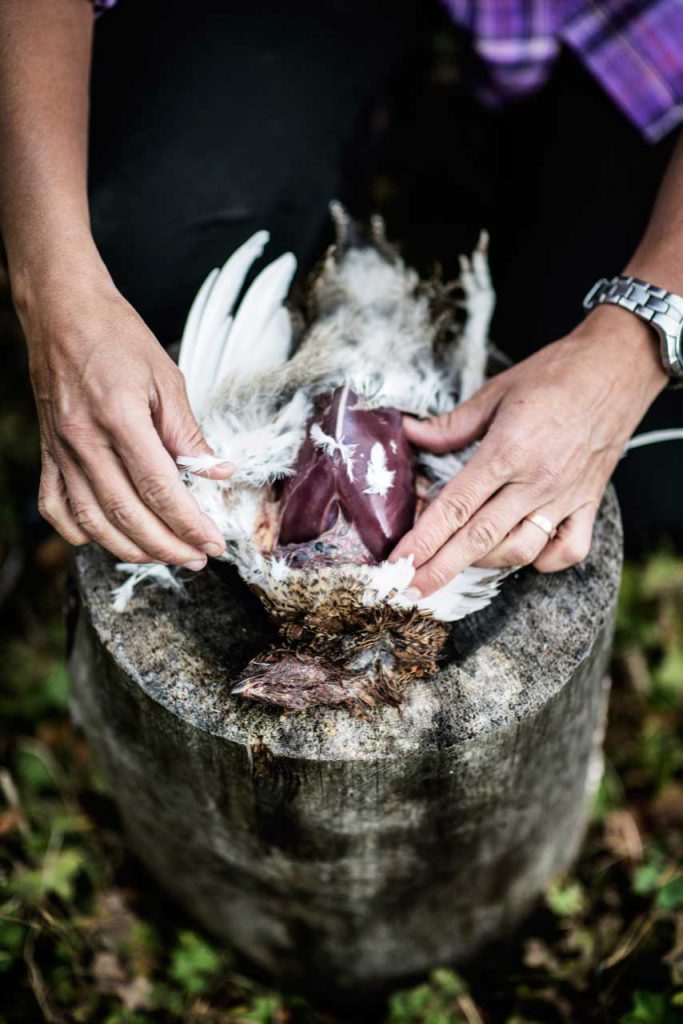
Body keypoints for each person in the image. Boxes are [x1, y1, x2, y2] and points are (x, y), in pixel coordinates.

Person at [0, 0, 680, 598]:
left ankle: (463, 156)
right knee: (149, 260)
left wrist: (635, 340)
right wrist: (56, 289)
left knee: (642, 479)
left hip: (628, 34)